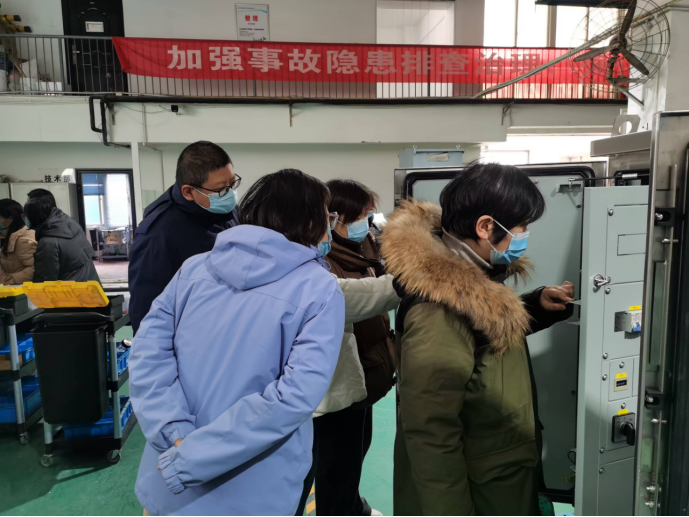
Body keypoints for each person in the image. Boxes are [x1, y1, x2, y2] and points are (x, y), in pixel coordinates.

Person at [130, 169, 345, 516]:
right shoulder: (319, 288)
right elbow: (294, 396)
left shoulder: (193, 270)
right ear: (307, 220)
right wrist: (195, 455)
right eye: (327, 214)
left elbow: (146, 355)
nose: (330, 224)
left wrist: (176, 434)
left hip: (169, 479)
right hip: (255, 487)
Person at [383, 162, 575, 516]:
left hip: (496, 477)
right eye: (521, 226)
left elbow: (481, 340)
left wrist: (536, 307)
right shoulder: (438, 310)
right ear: (486, 227)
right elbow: (431, 433)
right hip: (480, 489)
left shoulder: (471, 284)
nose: (524, 235)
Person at [312, 180, 396, 517]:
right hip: (344, 382)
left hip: (368, 375)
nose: (367, 223)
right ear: (335, 218)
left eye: (369, 215)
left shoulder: (362, 248)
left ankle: (352, 506)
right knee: (336, 463)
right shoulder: (322, 263)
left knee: (355, 453)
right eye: (361, 216)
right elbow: (355, 299)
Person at [128, 141, 239, 333]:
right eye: (221, 189)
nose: (230, 194)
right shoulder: (157, 237)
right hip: (192, 335)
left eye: (233, 183)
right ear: (188, 192)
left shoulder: (225, 210)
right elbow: (146, 314)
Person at [23, 192, 100, 283]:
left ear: (34, 215)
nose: (26, 218)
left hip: (71, 289)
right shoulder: (68, 223)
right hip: (90, 283)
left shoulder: (48, 242)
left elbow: (45, 279)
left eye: (27, 214)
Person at [0, 199, 36, 285]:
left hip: (20, 289)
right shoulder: (6, 235)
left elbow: (33, 269)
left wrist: (7, 279)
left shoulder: (24, 240)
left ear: (10, 219)